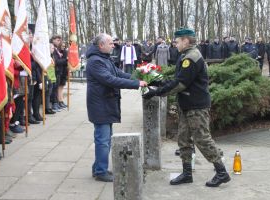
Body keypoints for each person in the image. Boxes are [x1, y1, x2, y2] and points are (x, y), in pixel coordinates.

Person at [143, 27, 230, 187]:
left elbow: (181, 84)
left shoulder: (191, 58)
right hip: (187, 105)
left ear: (185, 40)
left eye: (177, 41)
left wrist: (158, 92)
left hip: (196, 106)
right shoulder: (186, 56)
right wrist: (158, 82)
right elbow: (178, 78)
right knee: (184, 139)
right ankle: (187, 173)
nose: (175, 44)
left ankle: (221, 172)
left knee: (202, 138)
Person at [86, 33, 147, 182]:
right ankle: (101, 171)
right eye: (110, 43)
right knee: (103, 140)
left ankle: (98, 168)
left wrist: (136, 77)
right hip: (100, 105)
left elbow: (117, 73)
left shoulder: (103, 58)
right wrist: (135, 84)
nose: (114, 45)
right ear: (101, 45)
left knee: (104, 139)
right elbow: (109, 79)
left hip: (105, 104)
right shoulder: (95, 61)